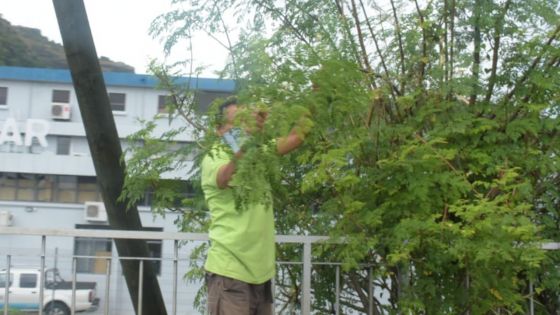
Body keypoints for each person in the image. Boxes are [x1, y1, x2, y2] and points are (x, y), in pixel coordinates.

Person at [201, 97, 308, 314]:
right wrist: (252, 139)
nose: (242, 128)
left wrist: (317, 97)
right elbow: (225, 176)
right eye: (236, 123)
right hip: (229, 273)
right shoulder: (214, 157)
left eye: (245, 121)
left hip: (261, 275)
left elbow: (296, 137)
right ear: (219, 130)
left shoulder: (259, 154)